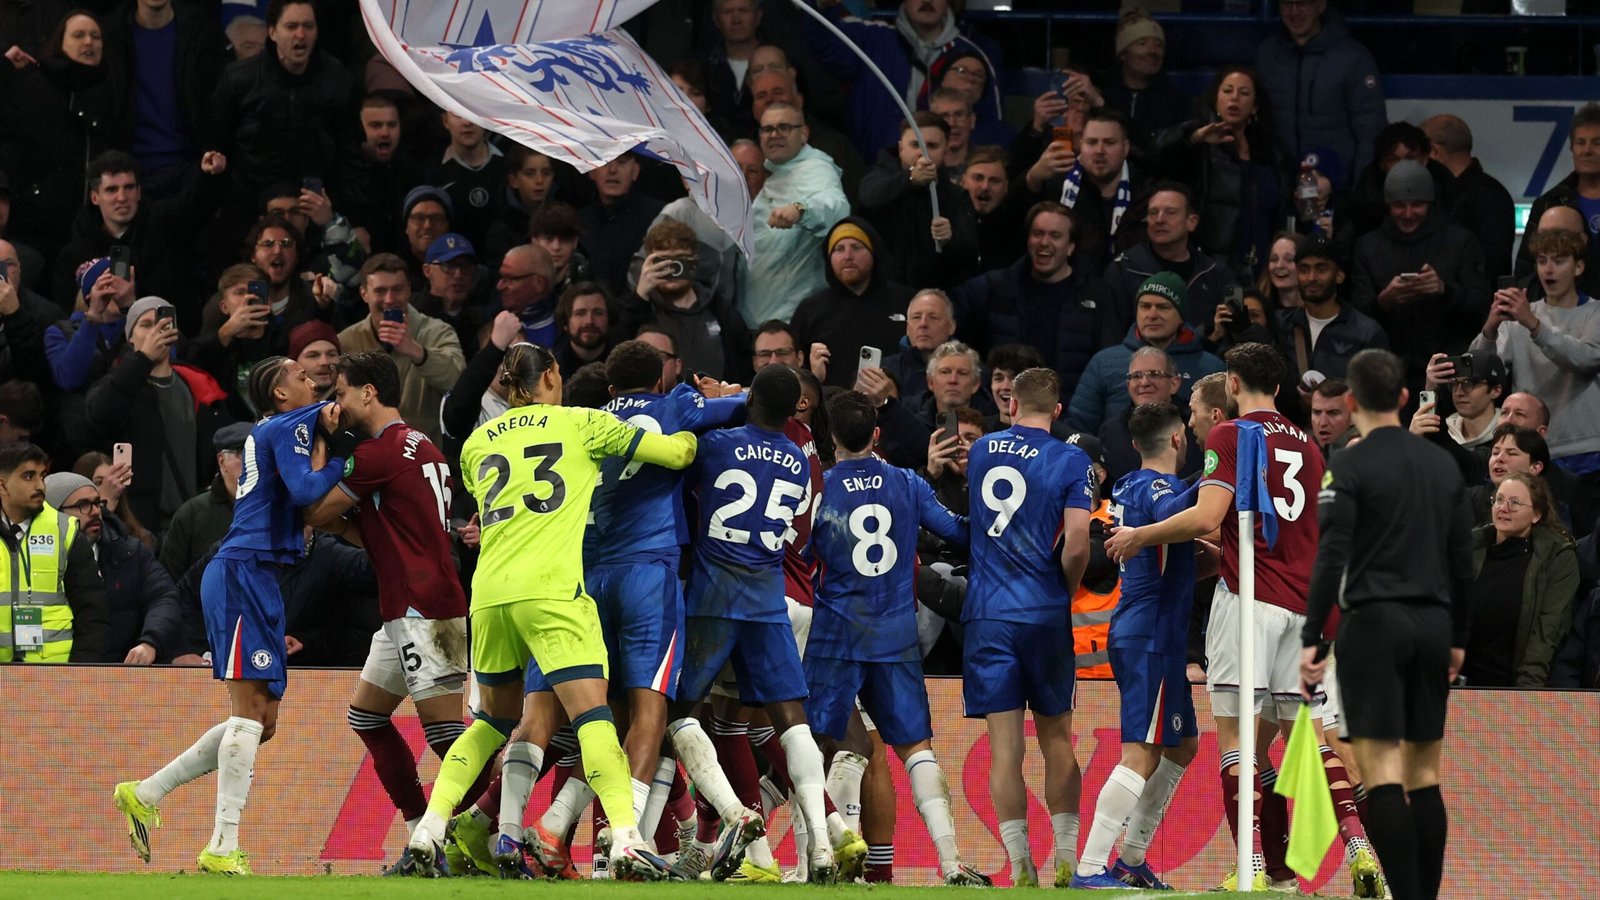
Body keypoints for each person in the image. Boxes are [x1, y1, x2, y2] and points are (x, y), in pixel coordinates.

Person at [409, 342, 698, 879]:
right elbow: (676, 454)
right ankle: (627, 839)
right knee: (593, 717)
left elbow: (484, 495)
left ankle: (429, 827)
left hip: (491, 593)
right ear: (547, 377)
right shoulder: (580, 424)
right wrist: (686, 422)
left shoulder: (475, 443)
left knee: (493, 720)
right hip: (553, 591)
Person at [1106, 343, 1331, 892]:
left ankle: (1251, 871)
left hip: (1250, 602)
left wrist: (1141, 536)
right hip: (1303, 608)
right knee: (1274, 749)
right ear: (1279, 386)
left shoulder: (1234, 434)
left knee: (1236, 745)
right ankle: (1281, 874)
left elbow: (1208, 515)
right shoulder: (1311, 446)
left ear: (1233, 384)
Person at [113, 355, 345, 875]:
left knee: (262, 723)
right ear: (280, 394)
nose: (312, 379)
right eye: (300, 376)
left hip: (257, 576)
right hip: (242, 572)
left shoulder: (283, 425)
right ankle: (221, 847)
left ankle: (146, 791)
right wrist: (341, 464)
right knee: (247, 715)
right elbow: (308, 494)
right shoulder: (286, 425)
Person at [1301, 348, 1474, 900]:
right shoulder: (1442, 465)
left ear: (1350, 403)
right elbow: (1460, 562)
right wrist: (1458, 639)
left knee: (1380, 775)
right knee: (1425, 775)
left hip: (1371, 625)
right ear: (1403, 398)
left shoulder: (1347, 466)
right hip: (1431, 625)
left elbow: (1330, 555)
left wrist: (1312, 639)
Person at [297, 351, 475, 873]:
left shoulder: (378, 455)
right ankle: (422, 832)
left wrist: (320, 447)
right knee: (367, 715)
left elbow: (313, 508)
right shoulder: (425, 447)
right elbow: (379, 531)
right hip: (412, 604)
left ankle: (493, 827)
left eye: (343, 393)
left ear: (369, 392)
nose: (339, 403)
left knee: (446, 736)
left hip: (424, 609)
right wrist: (342, 524)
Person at [803, 390, 987, 886]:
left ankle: (826, 860)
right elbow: (960, 532)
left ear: (830, 436)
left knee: (825, 744)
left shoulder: (819, 487)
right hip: (895, 632)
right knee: (915, 749)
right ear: (877, 434)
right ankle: (951, 862)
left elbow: (797, 553)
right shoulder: (907, 483)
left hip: (836, 631)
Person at [962, 367, 1093, 888]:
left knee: (1005, 749)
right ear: (1058, 411)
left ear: (1011, 404)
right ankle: (1065, 859)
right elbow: (1079, 542)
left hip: (988, 614)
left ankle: (1020, 866)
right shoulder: (1070, 457)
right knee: (1057, 738)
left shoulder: (982, 450)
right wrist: (1065, 587)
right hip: (1042, 610)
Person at [1071, 402, 1202, 890]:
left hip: (1144, 629)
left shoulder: (1125, 485)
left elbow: (1170, 545)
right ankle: (1090, 867)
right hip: (1151, 635)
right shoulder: (1161, 488)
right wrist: (1214, 475)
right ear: (1176, 441)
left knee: (1183, 745)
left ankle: (1131, 859)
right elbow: (1184, 516)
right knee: (1142, 752)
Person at [84, 297, 232, 533]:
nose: (155, 332)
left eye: (162, 324)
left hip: (194, 520)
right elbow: (100, 414)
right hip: (144, 524)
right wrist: (142, 359)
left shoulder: (196, 383)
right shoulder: (119, 384)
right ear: (130, 337)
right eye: (145, 324)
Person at [53, 149, 229, 335]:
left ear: (138, 192)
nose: (122, 197)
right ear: (95, 197)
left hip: (172, 337)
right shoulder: (76, 251)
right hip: (102, 348)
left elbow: (196, 205)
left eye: (129, 187)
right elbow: (67, 314)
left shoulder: (163, 222)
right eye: (112, 189)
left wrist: (209, 176)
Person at [952, 201, 1116, 400]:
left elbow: (1108, 363)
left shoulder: (1097, 294)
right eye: (1038, 233)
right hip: (1007, 412)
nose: (1044, 242)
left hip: (1070, 416)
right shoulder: (995, 287)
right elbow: (949, 320)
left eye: (1055, 235)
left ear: (1071, 246)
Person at [1351, 160, 1491, 390]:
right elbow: (1355, 314)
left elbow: (1481, 302)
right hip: (1387, 372)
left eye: (1416, 205)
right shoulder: (1368, 246)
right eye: (1399, 205)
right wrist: (1384, 301)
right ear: (1388, 205)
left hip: (1448, 369)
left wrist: (1444, 290)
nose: (1408, 214)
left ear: (1429, 202)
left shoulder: (1460, 242)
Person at [1471, 227, 1600, 471]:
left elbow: (1585, 358)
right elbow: (1480, 373)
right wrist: (1490, 327)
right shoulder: (1521, 315)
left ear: (1578, 267)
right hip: (1530, 448)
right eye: (1542, 261)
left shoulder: (1595, 313)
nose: (1548, 269)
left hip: (1587, 450)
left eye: (1559, 261)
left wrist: (1532, 324)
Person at [209, 0, 352, 214]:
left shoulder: (337, 79)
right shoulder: (238, 79)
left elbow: (350, 152)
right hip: (249, 210)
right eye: (292, 26)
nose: (301, 35)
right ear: (272, 32)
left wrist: (350, 214)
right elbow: (216, 143)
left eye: (308, 26)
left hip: (315, 211)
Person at [1152, 65, 1289, 274]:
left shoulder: (1271, 152)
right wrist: (1194, 138)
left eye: (1244, 93)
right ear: (1216, 99)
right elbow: (1155, 154)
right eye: (1227, 91)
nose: (1234, 98)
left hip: (1264, 267)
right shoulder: (1198, 143)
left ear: (1255, 106)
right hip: (1214, 265)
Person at [45, 471, 180, 664]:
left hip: (122, 670)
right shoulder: (37, 559)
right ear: (54, 513)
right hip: (58, 671)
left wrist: (151, 642)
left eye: (97, 503)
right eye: (82, 505)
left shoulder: (129, 552)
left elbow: (164, 597)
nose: (95, 512)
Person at [336, 254, 466, 445]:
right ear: (364, 293)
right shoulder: (347, 340)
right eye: (380, 291)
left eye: (397, 289)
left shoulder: (437, 332)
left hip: (424, 454)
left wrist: (415, 350)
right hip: (364, 455)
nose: (389, 299)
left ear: (409, 290)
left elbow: (458, 381)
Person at [1070, 271, 1224, 432]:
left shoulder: (1210, 369)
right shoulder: (1103, 363)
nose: (1152, 315)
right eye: (1145, 306)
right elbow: (1079, 427)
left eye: (1163, 307)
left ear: (1181, 316)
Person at [1464, 472, 1577, 689]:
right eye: (1498, 499)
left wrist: (1525, 694)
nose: (1503, 507)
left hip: (1512, 687)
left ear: (1536, 514)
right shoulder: (1469, 546)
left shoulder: (1557, 558)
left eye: (1514, 503)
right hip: (1456, 681)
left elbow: (1545, 634)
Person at [1254, 0, 1385, 187]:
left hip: (1338, 188)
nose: (1294, 11)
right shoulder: (1267, 54)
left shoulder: (1354, 57)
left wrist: (1361, 190)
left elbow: (1370, 132)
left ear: (1321, 5)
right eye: (1286, 4)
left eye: (1302, 3)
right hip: (1279, 185)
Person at [0, 442, 107, 663]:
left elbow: (93, 613)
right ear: (2, 485)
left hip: (55, 677)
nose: (40, 485)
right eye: (29, 476)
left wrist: (78, 673)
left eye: (42, 475)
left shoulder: (64, 530)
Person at [745, 102, 849, 328]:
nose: (774, 135)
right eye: (767, 129)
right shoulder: (773, 172)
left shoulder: (815, 168)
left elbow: (837, 207)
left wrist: (801, 210)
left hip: (793, 321)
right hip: (755, 318)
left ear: (804, 134)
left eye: (784, 127)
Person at [858, 112, 979, 289]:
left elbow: (970, 251)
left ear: (945, 151)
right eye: (915, 144)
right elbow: (870, 197)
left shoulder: (955, 196)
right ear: (900, 148)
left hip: (934, 296)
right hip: (883, 292)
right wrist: (910, 179)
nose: (922, 152)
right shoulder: (877, 177)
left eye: (932, 145)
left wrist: (950, 239)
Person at [790, 218, 914, 390]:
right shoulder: (810, 310)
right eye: (839, 249)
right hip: (831, 408)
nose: (848, 256)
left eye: (857, 247)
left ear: (873, 253)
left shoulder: (906, 301)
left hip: (896, 406)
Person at [1102, 182, 1238, 337]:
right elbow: (1110, 337)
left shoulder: (1218, 274)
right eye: (1153, 213)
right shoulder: (1123, 269)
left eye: (1170, 212)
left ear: (1191, 222)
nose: (1159, 219)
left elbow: (1235, 333)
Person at [623, 219, 749, 381]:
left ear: (694, 262)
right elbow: (620, 353)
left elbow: (742, 362)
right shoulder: (640, 311)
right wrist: (639, 297)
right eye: (663, 262)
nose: (673, 269)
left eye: (679, 261)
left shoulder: (719, 309)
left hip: (715, 401)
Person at [1274, 234, 1388, 381]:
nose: (1311, 278)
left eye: (1321, 269)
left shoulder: (1367, 333)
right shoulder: (1281, 325)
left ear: (1339, 275)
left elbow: (1378, 395)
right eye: (1304, 269)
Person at [1421, 115, 1515, 283]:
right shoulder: (1494, 193)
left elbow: (1492, 267)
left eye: (1421, 153)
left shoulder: (1488, 197)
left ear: (1435, 152)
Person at [1516, 103, 1600, 288]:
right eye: (1580, 142)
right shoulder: (1548, 204)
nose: (1587, 150)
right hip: (1562, 314)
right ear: (1572, 148)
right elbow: (1526, 272)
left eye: (1597, 142)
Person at [1097, 347, 1204, 486]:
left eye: (1154, 374)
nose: (1144, 382)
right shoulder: (1111, 431)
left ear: (1174, 384)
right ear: (1128, 385)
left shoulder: (1196, 424)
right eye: (1136, 376)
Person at [161, 421, 251, 579]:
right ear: (222, 461)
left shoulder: (278, 507)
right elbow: (168, 583)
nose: (253, 463)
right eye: (243, 454)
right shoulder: (192, 514)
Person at [1100, 10, 1190, 148]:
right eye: (1142, 44)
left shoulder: (1177, 102)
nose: (1153, 51)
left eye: (1158, 45)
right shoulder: (1104, 95)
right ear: (1123, 53)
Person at [578, 153, 663, 297]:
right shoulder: (577, 221)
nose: (612, 170)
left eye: (622, 162)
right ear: (591, 171)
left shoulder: (658, 217)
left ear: (635, 171)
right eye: (605, 160)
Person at [429, 111, 504, 249]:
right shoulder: (432, 172)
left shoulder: (508, 166)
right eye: (458, 115)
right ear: (445, 121)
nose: (467, 122)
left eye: (473, 113)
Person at [879, 289, 958, 405]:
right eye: (916, 317)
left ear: (951, 326)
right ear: (907, 328)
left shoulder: (970, 370)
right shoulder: (883, 372)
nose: (923, 324)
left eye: (933, 317)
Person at [551, 282, 615, 376]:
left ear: (609, 318)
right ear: (565, 321)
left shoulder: (623, 364)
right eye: (580, 313)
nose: (589, 321)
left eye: (598, 313)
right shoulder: (550, 371)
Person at [1310, 378, 1355, 456]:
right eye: (1317, 412)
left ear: (1353, 417)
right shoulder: (1306, 445)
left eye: (1333, 413)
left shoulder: (1360, 449)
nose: (1323, 422)